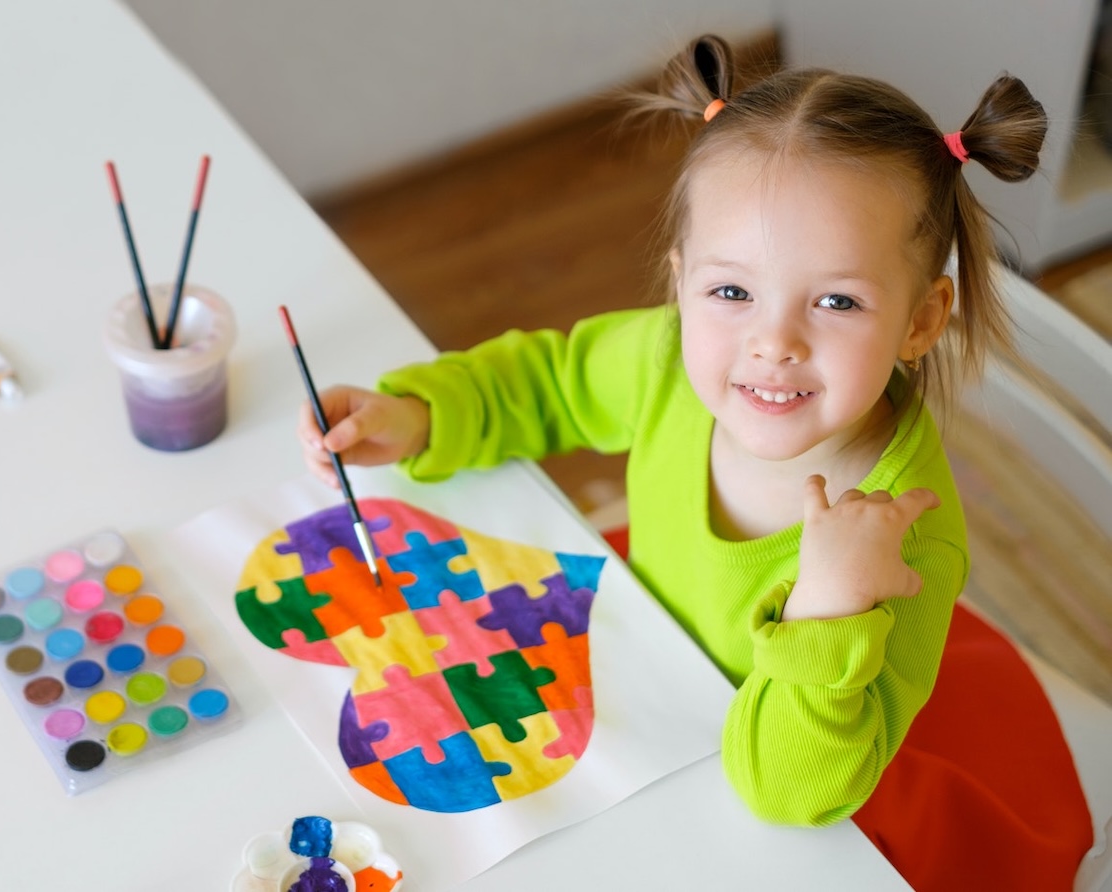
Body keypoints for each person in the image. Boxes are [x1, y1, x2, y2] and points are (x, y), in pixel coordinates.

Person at [299, 35, 1091, 889]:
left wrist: (828, 609)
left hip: (818, 764)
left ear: (921, 321)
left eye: (836, 301)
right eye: (732, 291)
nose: (773, 343)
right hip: (650, 670)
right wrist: (421, 414)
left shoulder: (903, 542)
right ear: (680, 285)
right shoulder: (671, 360)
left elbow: (789, 791)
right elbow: (550, 383)